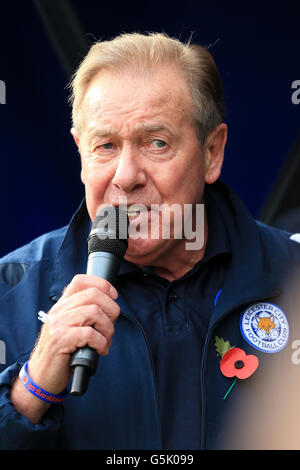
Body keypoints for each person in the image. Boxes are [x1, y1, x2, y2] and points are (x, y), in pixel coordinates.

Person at [1, 32, 300, 450]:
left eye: (156, 143)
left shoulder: (292, 274)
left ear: (212, 152)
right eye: (104, 146)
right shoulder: (10, 288)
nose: (126, 176)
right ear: (80, 154)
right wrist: (30, 393)